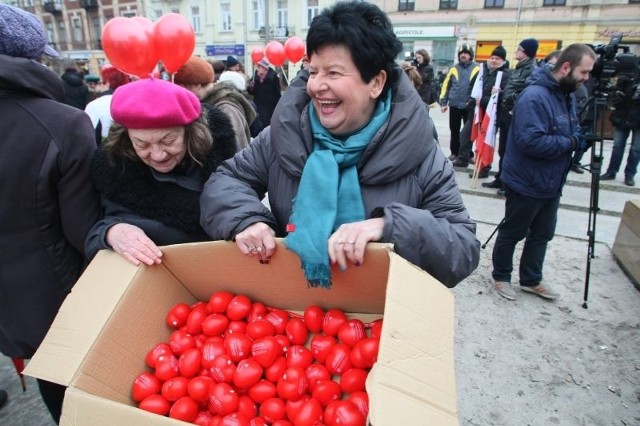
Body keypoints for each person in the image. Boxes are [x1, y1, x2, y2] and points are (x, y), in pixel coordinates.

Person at [200, 1, 480, 289]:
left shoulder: (420, 153)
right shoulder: (282, 136)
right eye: (312, 71)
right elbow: (225, 182)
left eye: (333, 73)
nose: (316, 86)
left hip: (375, 311)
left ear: (376, 82)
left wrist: (391, 226)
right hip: (294, 305)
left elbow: (463, 247)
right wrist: (246, 220)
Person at [0, 4, 102, 423]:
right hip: (56, 300)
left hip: (11, 305)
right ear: (34, 59)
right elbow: (84, 230)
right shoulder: (64, 125)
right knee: (73, 394)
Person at [84, 78, 237, 265]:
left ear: (191, 133)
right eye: (142, 144)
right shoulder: (115, 171)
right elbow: (94, 230)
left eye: (168, 141)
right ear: (126, 140)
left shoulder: (224, 164)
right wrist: (111, 232)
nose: (157, 155)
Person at [491, 44, 596, 301]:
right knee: (513, 232)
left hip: (551, 182)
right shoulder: (535, 96)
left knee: (542, 234)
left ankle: (531, 279)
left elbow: (567, 130)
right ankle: (501, 276)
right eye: (584, 72)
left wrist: (580, 138)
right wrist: (571, 142)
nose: (587, 78)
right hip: (526, 181)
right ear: (566, 67)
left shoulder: (567, 93)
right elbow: (531, 142)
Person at [487, 38, 539, 194]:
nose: (516, 51)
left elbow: (529, 93)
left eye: (519, 49)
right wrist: (502, 93)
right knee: (503, 149)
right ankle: (501, 178)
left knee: (511, 150)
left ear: (526, 52)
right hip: (505, 112)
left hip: (515, 114)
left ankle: (508, 183)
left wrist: (511, 99)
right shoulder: (519, 68)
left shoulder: (531, 70)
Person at [175, 56, 256, 150]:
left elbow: (236, 150)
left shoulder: (226, 108)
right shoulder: (210, 101)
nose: (182, 93)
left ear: (197, 85)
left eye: (183, 87)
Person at [454, 45, 510, 174]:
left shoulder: (505, 75)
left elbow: (502, 95)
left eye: (497, 59)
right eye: (492, 57)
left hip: (491, 114)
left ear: (503, 61)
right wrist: (470, 99)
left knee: (485, 141)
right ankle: (463, 159)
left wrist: (485, 100)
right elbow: (472, 86)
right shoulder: (482, 71)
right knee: (465, 135)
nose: (494, 60)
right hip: (476, 111)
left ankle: (484, 167)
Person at [439, 44, 480, 161]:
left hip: (469, 106)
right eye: (461, 53)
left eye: (466, 53)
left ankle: (468, 154)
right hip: (455, 105)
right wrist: (443, 103)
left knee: (468, 132)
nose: (463, 55)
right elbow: (446, 86)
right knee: (454, 130)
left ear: (470, 55)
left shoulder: (477, 68)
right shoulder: (453, 69)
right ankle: (454, 153)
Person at [600, 75, 640, 186]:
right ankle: (611, 172)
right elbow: (617, 95)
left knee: (636, 149)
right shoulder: (629, 78)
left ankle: (630, 175)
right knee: (618, 146)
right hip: (624, 116)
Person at [84, 64, 131, 145]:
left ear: (107, 84)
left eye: (101, 82)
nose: (99, 86)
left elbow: (88, 136)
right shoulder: (133, 101)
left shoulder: (94, 105)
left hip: (105, 151)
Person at [248, 57, 282, 127]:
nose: (258, 68)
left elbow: (277, 92)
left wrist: (278, 106)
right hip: (258, 104)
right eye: (258, 66)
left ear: (265, 67)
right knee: (259, 123)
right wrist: (250, 87)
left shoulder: (273, 76)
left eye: (260, 66)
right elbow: (251, 92)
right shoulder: (255, 76)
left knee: (268, 124)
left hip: (270, 105)